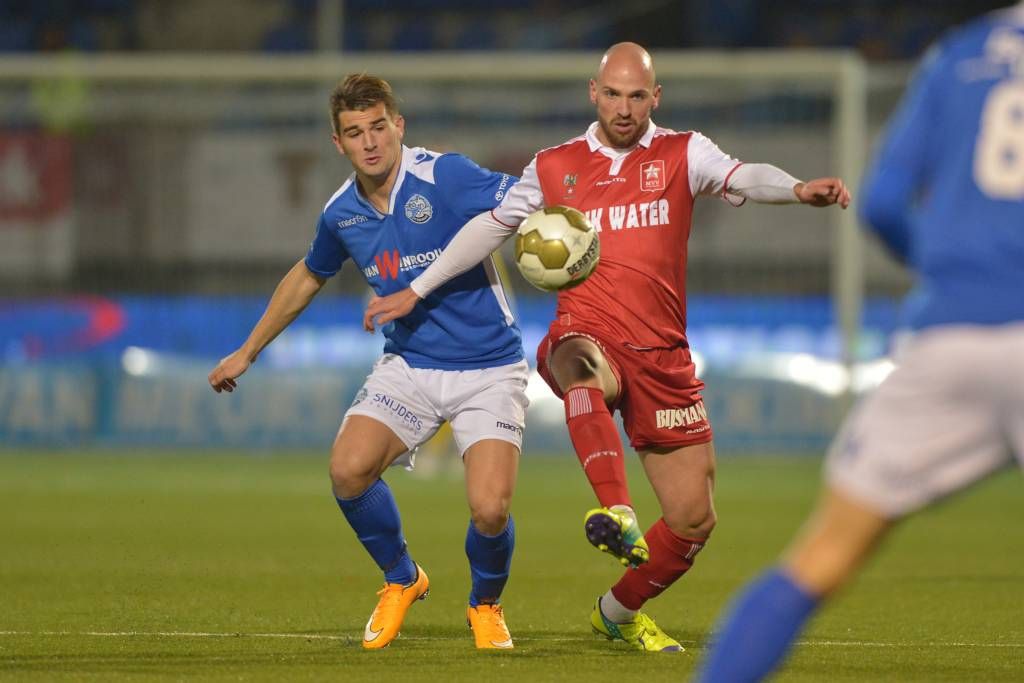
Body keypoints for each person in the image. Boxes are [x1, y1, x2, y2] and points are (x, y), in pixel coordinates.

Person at [363, 43, 850, 652]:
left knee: (693, 519)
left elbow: (742, 174)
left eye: (637, 96)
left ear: (656, 98)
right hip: (586, 333)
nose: (624, 108)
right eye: (613, 94)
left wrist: (800, 189)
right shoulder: (554, 166)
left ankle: (616, 611)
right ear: (594, 93)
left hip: (663, 355)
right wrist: (418, 287)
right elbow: (490, 227)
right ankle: (616, 511)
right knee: (578, 366)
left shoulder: (683, 152)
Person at [695, 5, 1024, 680]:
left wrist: (951, 270)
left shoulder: (958, 54)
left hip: (954, 331)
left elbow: (880, 202)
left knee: (817, 559)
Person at [208, 74, 528, 650]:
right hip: (409, 363)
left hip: (488, 367)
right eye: (355, 133)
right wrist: (247, 350)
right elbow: (309, 275)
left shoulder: (445, 175)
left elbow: (524, 200)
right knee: (347, 470)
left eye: (379, 126)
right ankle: (402, 577)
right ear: (339, 143)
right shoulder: (341, 214)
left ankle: (485, 604)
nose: (370, 142)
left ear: (398, 126)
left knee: (489, 509)